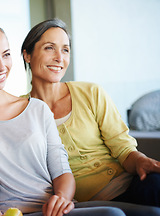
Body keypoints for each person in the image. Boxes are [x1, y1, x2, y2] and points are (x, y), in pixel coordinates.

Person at [0, 19, 160, 216]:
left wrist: (62, 197)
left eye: (6, 54)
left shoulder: (36, 108)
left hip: (55, 206)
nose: (1, 66)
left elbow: (62, 170)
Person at [21, 18, 160, 206]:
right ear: (27, 55)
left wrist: (141, 161)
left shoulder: (91, 92)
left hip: (129, 184)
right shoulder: (17, 110)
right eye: (49, 48)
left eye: (65, 50)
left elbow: (123, 148)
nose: (59, 58)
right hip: (81, 205)